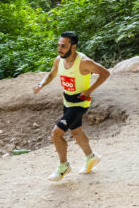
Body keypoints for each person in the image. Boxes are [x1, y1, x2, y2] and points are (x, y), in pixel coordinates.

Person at [34, 31, 111, 181]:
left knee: (56, 134)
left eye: (63, 46)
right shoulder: (59, 60)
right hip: (67, 102)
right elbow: (51, 74)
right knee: (76, 132)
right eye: (59, 45)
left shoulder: (84, 62)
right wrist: (41, 84)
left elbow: (105, 73)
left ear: (73, 47)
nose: (59, 49)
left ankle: (63, 166)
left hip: (80, 103)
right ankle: (91, 157)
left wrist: (89, 90)